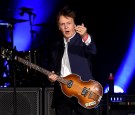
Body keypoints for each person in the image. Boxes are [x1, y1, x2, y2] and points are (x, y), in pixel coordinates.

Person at [47, 5, 97, 115]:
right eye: (62, 24)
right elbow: (52, 69)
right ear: (59, 27)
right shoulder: (55, 47)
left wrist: (85, 35)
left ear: (75, 25)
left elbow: (93, 50)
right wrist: (51, 77)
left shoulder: (83, 41)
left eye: (68, 23)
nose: (66, 27)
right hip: (62, 93)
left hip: (83, 92)